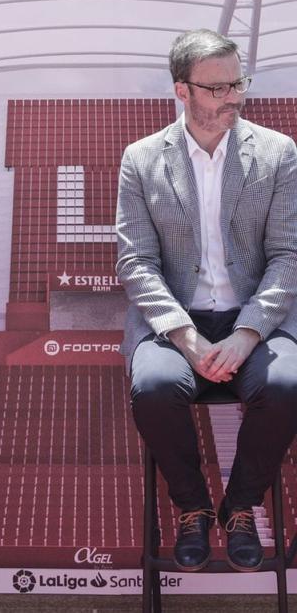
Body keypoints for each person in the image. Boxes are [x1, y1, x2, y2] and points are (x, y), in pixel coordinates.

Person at [117, 28, 297, 573]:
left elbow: (288, 255)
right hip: (173, 324)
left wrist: (247, 333)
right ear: (182, 92)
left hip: (255, 319)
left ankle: (241, 506)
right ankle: (193, 507)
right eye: (216, 89)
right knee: (152, 388)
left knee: (287, 385)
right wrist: (186, 337)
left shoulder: (277, 152)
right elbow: (136, 262)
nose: (232, 98)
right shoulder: (142, 159)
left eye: (237, 83)